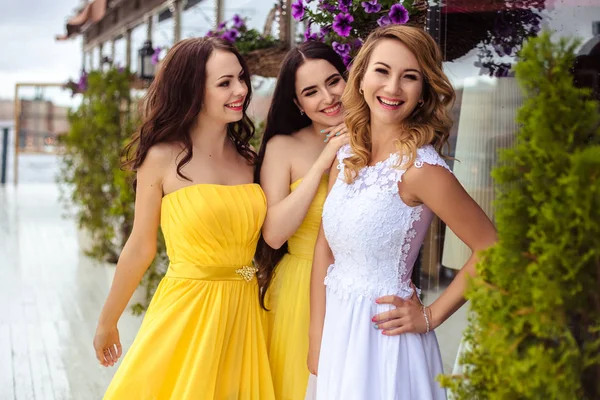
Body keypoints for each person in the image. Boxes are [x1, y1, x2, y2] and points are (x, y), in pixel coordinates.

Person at [308, 25, 497, 399]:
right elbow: (324, 250)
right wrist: (317, 336)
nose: (392, 88)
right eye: (382, 71)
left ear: (423, 90)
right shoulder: (346, 156)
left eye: (409, 77)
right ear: (360, 78)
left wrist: (432, 316)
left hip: (386, 340)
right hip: (338, 334)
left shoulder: (422, 171)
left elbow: (493, 249)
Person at [93, 37, 275, 399]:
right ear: (193, 90)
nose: (240, 89)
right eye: (224, 83)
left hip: (247, 310)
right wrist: (107, 321)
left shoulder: (251, 160)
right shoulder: (160, 158)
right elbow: (140, 246)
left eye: (241, 78)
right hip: (187, 308)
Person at [255, 40, 348, 400]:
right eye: (311, 91)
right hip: (299, 289)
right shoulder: (284, 147)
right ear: (297, 104)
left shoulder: (377, 138)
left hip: (360, 286)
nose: (328, 97)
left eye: (333, 81)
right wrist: (325, 159)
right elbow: (275, 234)